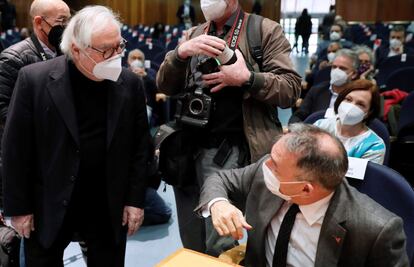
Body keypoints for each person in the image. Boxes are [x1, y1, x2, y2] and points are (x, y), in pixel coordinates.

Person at [2, 5, 150, 266]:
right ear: (77, 50)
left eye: (119, 46)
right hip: (48, 202)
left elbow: (140, 148)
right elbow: (15, 150)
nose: (116, 56)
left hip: (106, 203)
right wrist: (18, 208)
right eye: (105, 50)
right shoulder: (33, 81)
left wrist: (135, 200)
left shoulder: (130, 84)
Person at [157, 0, 301, 256]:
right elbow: (165, 86)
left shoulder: (264, 30)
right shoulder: (195, 32)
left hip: (231, 150)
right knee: (190, 238)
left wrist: (247, 78)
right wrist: (179, 55)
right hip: (188, 146)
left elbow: (290, 89)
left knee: (220, 241)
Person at [196, 123, 409, 267]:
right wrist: (219, 203)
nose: (265, 166)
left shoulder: (376, 230)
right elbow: (219, 179)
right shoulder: (265, 170)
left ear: (305, 189)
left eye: (275, 166)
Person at [0, 0, 71, 128]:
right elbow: (3, 109)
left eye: (68, 20)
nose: (67, 26)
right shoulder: (13, 58)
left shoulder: (67, 53)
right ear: (39, 23)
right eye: (61, 20)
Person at [314, 79, 385, 164]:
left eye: (360, 104)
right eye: (348, 99)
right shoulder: (319, 126)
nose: (351, 106)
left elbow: (365, 177)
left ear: (369, 112)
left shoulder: (374, 145)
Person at [289, 49, 359, 123]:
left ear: (354, 74)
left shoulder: (357, 96)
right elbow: (298, 116)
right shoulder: (317, 90)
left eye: (342, 68)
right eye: (334, 67)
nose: (337, 71)